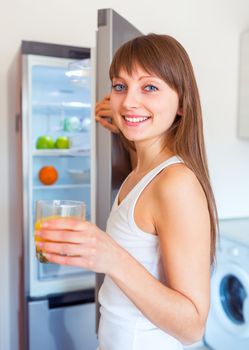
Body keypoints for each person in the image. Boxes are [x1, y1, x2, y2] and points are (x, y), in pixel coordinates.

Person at [35, 33, 218, 350]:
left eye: (149, 87)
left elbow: (192, 327)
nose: (129, 100)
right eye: (120, 86)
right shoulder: (143, 168)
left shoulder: (176, 184)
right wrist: (124, 125)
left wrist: (113, 258)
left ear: (182, 105)